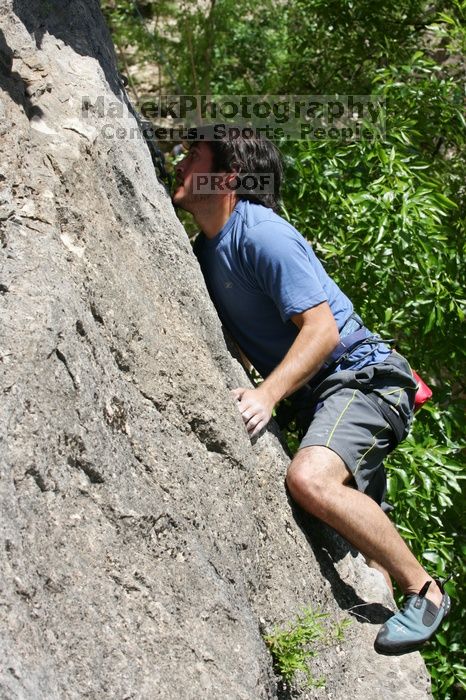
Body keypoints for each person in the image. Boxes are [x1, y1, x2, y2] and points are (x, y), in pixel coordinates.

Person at [172, 125, 450, 655]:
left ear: (228, 176)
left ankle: (428, 593)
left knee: (310, 479)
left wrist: (265, 395)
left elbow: (322, 330)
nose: (181, 164)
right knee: (364, 550)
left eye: (194, 155)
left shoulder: (261, 234)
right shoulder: (203, 252)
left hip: (361, 378)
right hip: (323, 395)